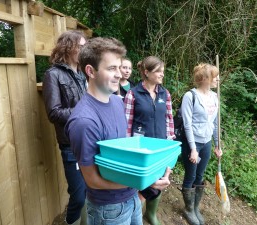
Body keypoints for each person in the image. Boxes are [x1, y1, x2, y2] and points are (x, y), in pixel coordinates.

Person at [64, 37, 171, 225]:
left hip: (132, 198)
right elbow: (93, 180)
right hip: (108, 209)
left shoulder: (116, 102)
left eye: (119, 68)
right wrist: (144, 181)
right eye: (111, 68)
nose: (119, 74)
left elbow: (123, 153)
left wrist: (153, 169)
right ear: (91, 71)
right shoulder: (83, 121)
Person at [42, 30, 88, 225]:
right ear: (68, 47)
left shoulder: (84, 74)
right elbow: (53, 113)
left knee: (90, 191)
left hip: (90, 141)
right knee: (78, 197)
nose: (85, 50)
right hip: (70, 145)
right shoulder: (53, 75)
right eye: (81, 46)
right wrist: (84, 110)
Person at [124, 56, 175, 225]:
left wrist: (170, 141)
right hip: (141, 151)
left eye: (162, 70)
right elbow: (127, 123)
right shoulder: (133, 94)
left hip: (160, 148)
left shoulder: (164, 93)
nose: (162, 74)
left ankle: (146, 215)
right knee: (143, 185)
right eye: (158, 71)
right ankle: (132, 217)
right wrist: (127, 147)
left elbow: (169, 119)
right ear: (146, 72)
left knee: (157, 183)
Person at [180, 63, 223, 225]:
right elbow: (187, 124)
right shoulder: (190, 96)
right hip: (193, 143)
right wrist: (192, 149)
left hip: (206, 143)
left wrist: (217, 145)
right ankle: (188, 209)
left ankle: (195, 207)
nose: (218, 79)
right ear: (205, 78)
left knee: (200, 175)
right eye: (215, 76)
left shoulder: (214, 97)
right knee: (191, 175)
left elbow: (215, 123)